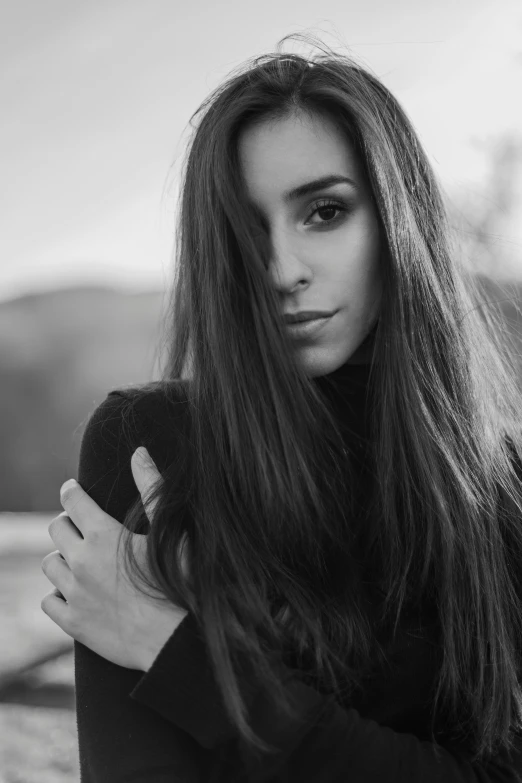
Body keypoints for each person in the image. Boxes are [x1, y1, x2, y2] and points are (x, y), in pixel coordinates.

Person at [49, 34, 522, 781]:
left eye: (325, 212)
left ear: (400, 222)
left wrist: (189, 663)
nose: (283, 270)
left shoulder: (501, 484)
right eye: (246, 232)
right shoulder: (152, 449)